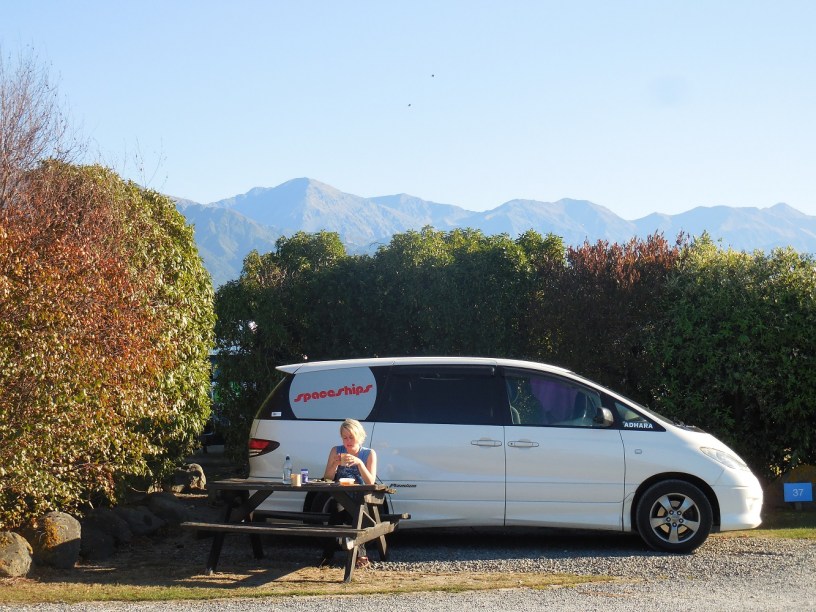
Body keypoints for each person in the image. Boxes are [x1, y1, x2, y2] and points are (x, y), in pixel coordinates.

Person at [320, 418, 378, 567]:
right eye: (345, 437)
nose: (348, 441)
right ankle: (327, 555)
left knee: (357, 513)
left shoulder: (369, 454)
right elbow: (327, 478)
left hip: (360, 496)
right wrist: (334, 464)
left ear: (359, 436)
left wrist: (359, 463)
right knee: (335, 510)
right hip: (341, 495)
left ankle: (361, 555)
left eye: (351, 437)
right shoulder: (336, 450)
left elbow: (371, 482)